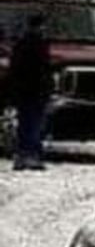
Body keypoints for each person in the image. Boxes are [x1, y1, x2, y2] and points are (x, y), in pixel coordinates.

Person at [10, 14, 53, 170]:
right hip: (36, 91)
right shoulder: (40, 45)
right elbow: (44, 70)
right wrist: (48, 88)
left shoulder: (21, 44)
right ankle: (32, 155)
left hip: (24, 91)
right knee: (35, 124)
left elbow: (14, 69)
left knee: (24, 124)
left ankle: (21, 156)